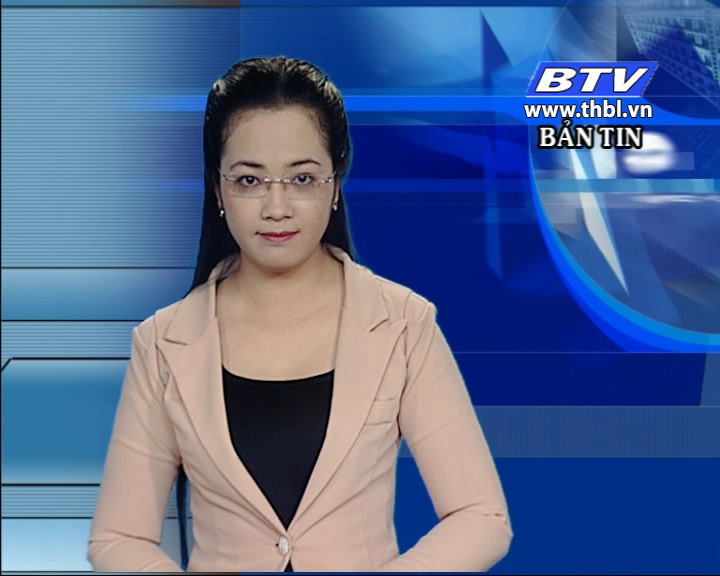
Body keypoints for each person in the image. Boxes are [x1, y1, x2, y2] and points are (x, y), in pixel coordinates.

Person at [87, 56, 513, 573]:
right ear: (218, 188)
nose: (276, 207)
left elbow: (481, 517)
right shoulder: (163, 342)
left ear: (335, 182)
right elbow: (118, 538)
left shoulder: (403, 325)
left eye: (302, 178)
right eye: (249, 180)